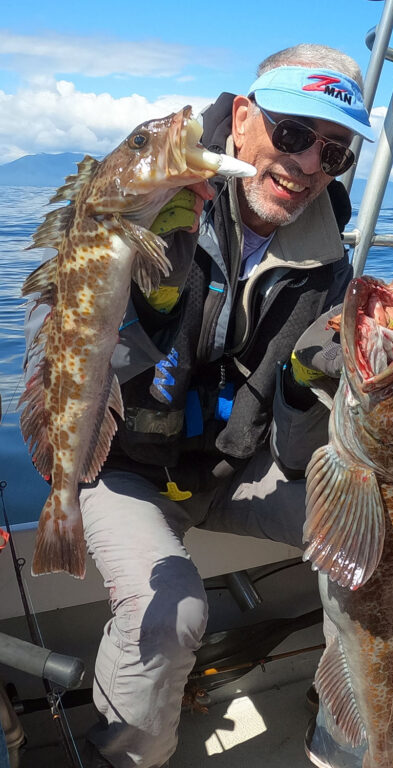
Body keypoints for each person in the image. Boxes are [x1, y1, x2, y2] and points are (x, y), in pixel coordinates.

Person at [66, 43, 374, 768]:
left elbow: (299, 457)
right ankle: (127, 756)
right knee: (171, 610)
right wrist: (143, 294)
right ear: (242, 119)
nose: (306, 168)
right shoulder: (141, 197)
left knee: (371, 543)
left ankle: (343, 741)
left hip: (236, 469)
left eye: (334, 152)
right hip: (125, 466)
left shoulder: (330, 265)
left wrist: (306, 385)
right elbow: (60, 334)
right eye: (293, 134)